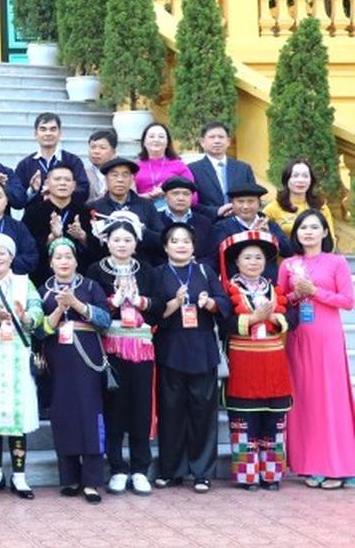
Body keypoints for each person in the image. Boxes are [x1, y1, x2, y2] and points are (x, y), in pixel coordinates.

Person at [279, 209, 355, 488]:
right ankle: (310, 465)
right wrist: (295, 294)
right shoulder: (288, 264)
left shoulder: (336, 262)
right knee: (304, 400)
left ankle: (337, 466)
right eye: (303, 227)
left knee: (330, 400)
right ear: (296, 233)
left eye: (314, 227)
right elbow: (280, 300)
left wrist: (315, 292)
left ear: (325, 232)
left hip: (327, 338)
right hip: (299, 337)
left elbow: (347, 301)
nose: (308, 232)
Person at [147, 221, 223, 491]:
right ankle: (171, 470)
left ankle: (202, 472)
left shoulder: (205, 271)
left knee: (204, 413)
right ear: (165, 246)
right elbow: (152, 311)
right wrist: (175, 303)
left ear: (194, 246)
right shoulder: (157, 273)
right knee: (171, 413)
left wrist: (210, 303)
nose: (181, 245)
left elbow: (223, 302)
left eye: (186, 241)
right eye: (175, 241)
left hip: (202, 349)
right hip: (170, 349)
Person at [85, 210, 157, 495]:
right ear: (107, 242)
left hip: (141, 346)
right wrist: (113, 301)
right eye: (116, 239)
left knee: (141, 407)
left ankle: (140, 468)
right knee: (114, 407)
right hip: (111, 347)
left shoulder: (147, 270)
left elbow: (160, 305)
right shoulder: (96, 270)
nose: (122, 244)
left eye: (128, 239)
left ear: (136, 243)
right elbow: (93, 308)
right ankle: (116, 467)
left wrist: (140, 301)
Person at [39, 237, 112, 503]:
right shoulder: (43, 290)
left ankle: (92, 481)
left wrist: (77, 304)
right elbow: (38, 330)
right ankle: (69, 478)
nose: (64, 262)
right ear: (50, 262)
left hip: (87, 357)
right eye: (58, 257)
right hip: (57, 358)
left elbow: (105, 320)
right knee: (63, 414)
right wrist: (60, 308)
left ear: (76, 261)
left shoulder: (91, 286)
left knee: (90, 413)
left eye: (68, 257)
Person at [218, 231, 292, 490]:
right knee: (244, 423)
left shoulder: (274, 289)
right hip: (243, 361)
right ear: (237, 262)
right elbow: (223, 322)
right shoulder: (227, 289)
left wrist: (272, 319)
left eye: (258, 257)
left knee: (274, 421)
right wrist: (252, 319)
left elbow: (290, 319)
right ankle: (247, 476)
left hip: (273, 362)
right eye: (247, 257)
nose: (253, 262)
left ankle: (272, 475)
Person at [0, 233, 42, 500]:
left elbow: (38, 310)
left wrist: (25, 316)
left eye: (2, 253)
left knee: (17, 414)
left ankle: (19, 476)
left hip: (17, 352)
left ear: (12, 257)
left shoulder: (25, 282)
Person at [20, 162, 89, 285]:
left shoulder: (84, 212)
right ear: (47, 183)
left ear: (74, 185)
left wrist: (82, 236)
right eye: (57, 179)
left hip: (80, 277)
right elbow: (26, 248)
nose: (62, 183)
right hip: (41, 277)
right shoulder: (33, 212)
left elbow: (96, 250)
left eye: (67, 180)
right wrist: (51, 238)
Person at [88, 157, 160, 266]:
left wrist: (142, 230)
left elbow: (161, 240)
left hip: (141, 266)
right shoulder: (94, 208)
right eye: (114, 175)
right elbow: (89, 247)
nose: (120, 180)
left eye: (125, 175)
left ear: (132, 179)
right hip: (105, 266)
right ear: (106, 179)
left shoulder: (146, 205)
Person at [210, 182, 291, 272]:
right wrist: (251, 236)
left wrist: (269, 235)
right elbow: (218, 257)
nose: (245, 206)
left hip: (268, 278)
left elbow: (288, 251)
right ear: (232, 204)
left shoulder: (269, 224)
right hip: (235, 278)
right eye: (240, 202)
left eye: (251, 201)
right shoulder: (222, 227)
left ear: (259, 203)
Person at [14, 112, 89, 205]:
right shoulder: (25, 164)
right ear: (36, 134)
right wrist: (32, 191)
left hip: (67, 213)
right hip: (35, 213)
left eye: (53, 129)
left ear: (60, 133)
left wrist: (59, 192)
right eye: (43, 129)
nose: (48, 133)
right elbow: (17, 201)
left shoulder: (73, 161)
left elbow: (84, 191)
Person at [192, 121, 258, 216]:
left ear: (228, 142)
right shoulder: (193, 170)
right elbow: (191, 202)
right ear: (202, 142)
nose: (217, 141)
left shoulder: (243, 169)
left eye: (221, 137)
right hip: (208, 221)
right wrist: (217, 211)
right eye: (212, 137)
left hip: (239, 220)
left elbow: (254, 197)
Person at [153, 176, 215, 268]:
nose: (181, 198)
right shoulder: (155, 220)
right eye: (175, 194)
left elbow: (211, 255)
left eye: (186, 194)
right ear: (165, 197)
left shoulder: (204, 222)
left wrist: (197, 265)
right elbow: (151, 254)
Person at [134, 123, 194, 203]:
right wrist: (144, 197)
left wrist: (168, 193)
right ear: (144, 142)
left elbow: (193, 196)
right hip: (142, 207)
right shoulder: (134, 167)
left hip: (172, 208)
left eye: (161, 137)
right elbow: (127, 196)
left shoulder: (179, 165)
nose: (156, 140)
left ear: (167, 143)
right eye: (151, 136)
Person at [264, 158, 325, 232]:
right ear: (286, 179)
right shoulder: (272, 209)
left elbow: (330, 236)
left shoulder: (321, 207)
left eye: (305, 176)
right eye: (295, 176)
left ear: (311, 180)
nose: (300, 180)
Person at [83, 129, 117, 204]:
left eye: (102, 148)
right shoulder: (82, 173)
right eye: (93, 147)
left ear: (113, 152)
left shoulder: (122, 174)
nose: (96, 151)